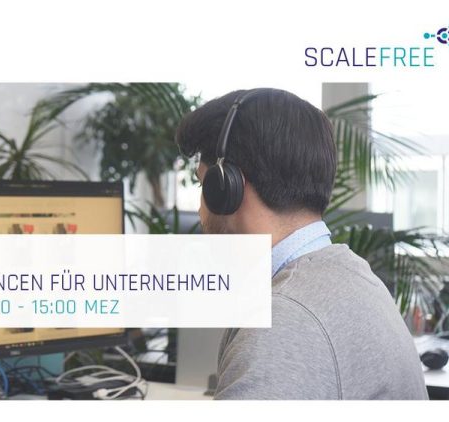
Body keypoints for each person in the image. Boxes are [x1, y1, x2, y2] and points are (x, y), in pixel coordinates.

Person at [175, 88, 427, 400]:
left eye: (203, 185)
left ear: (226, 189)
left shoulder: (284, 323)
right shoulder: (357, 278)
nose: (200, 210)